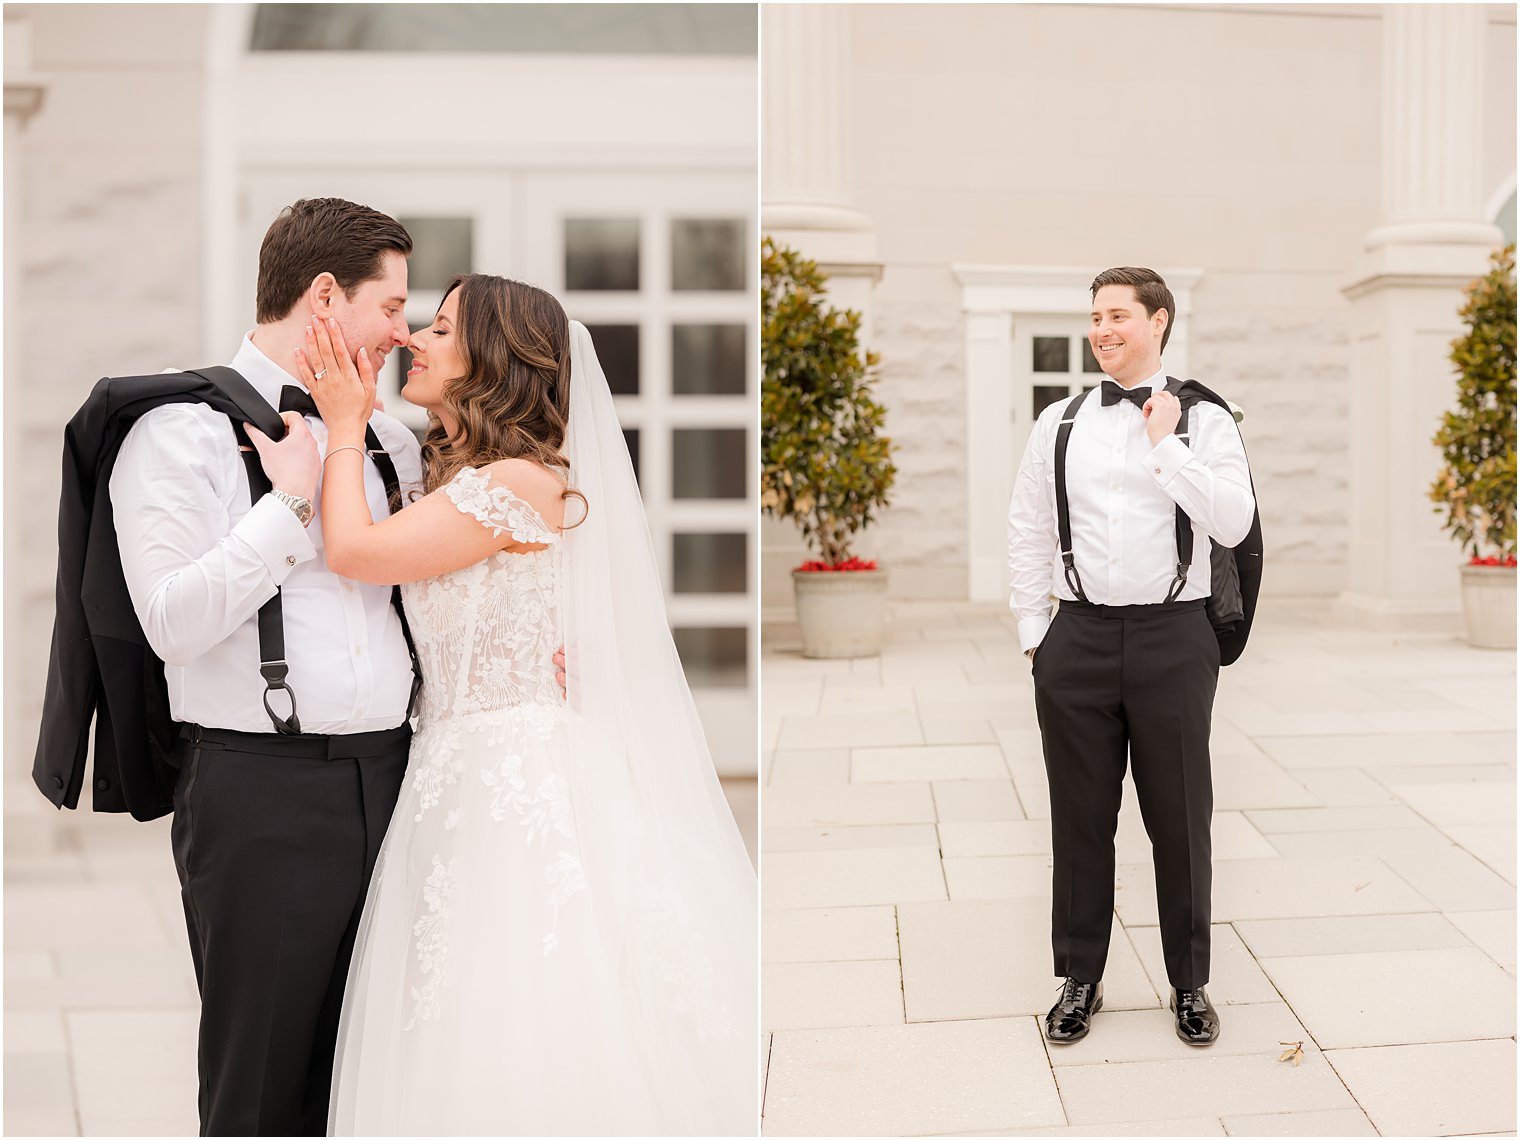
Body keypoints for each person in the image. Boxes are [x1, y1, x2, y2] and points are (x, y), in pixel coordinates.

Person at [296, 274, 757, 1135]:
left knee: (518, 1000)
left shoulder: (514, 482)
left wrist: (345, 426)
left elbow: (354, 552)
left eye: (439, 327)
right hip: (451, 771)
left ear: (492, 361)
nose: (414, 341)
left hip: (512, 781)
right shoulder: (466, 477)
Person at [1006, 267, 1255, 1047]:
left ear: (1158, 321)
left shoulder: (1204, 419)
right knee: (1079, 817)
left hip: (1173, 638)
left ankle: (1189, 984)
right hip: (1074, 636)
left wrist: (1166, 446)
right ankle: (1080, 976)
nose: (1100, 329)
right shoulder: (1059, 422)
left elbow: (1234, 519)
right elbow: (1028, 526)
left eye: (1116, 314)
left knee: (1180, 816)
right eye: (1094, 316)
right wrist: (1033, 632)